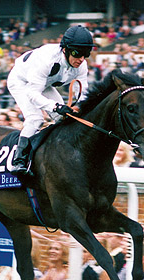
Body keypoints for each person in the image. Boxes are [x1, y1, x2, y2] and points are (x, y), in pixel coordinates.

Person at [7, 25, 94, 175]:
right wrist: (56, 106)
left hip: (44, 83)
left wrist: (78, 108)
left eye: (86, 54)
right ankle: (18, 161)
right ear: (65, 49)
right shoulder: (47, 60)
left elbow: (83, 93)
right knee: (35, 118)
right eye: (77, 53)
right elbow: (33, 94)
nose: (81, 59)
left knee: (64, 118)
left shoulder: (82, 65)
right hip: (22, 82)